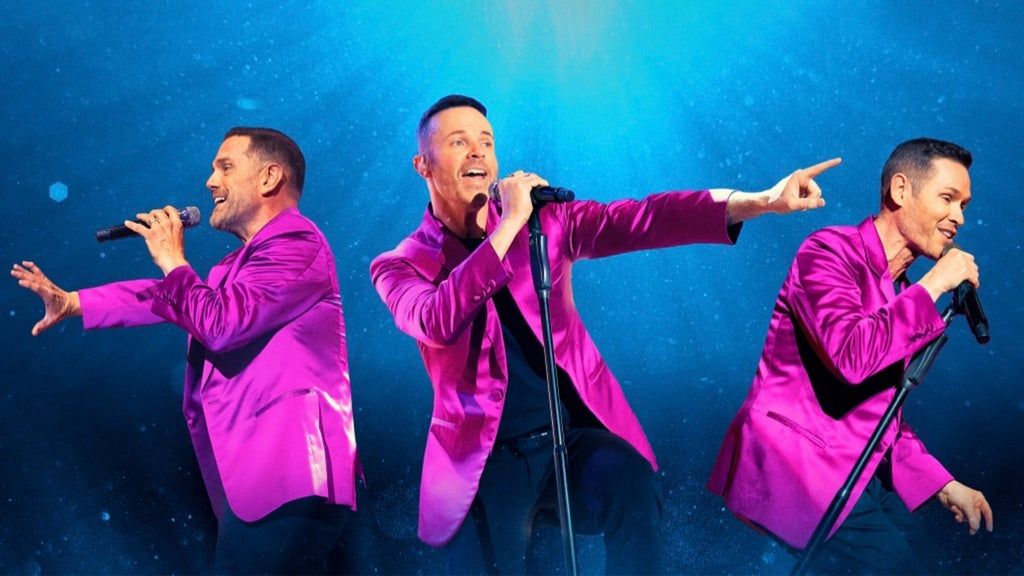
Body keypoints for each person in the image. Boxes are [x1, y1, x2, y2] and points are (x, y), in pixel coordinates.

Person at [370, 94, 838, 574]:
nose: (477, 152)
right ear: (423, 165)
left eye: (486, 142)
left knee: (632, 485)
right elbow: (438, 319)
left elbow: (645, 219)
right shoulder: (401, 264)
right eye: (458, 141)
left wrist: (759, 202)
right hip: (485, 465)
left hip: (568, 440)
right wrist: (507, 224)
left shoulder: (544, 224)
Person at [11, 127, 358, 574]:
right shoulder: (238, 266)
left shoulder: (297, 243)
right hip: (260, 478)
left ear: (269, 177)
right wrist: (74, 302)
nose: (210, 181)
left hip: (288, 468)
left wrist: (173, 260)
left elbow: (221, 324)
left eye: (225, 167)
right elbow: (169, 299)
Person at [707, 138, 994, 574]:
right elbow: (851, 356)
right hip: (798, 462)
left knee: (934, 561)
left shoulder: (901, 293)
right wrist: (933, 285)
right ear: (901, 190)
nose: (960, 217)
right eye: (948, 198)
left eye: (964, 205)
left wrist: (942, 484)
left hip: (852, 470)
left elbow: (882, 415)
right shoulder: (829, 253)